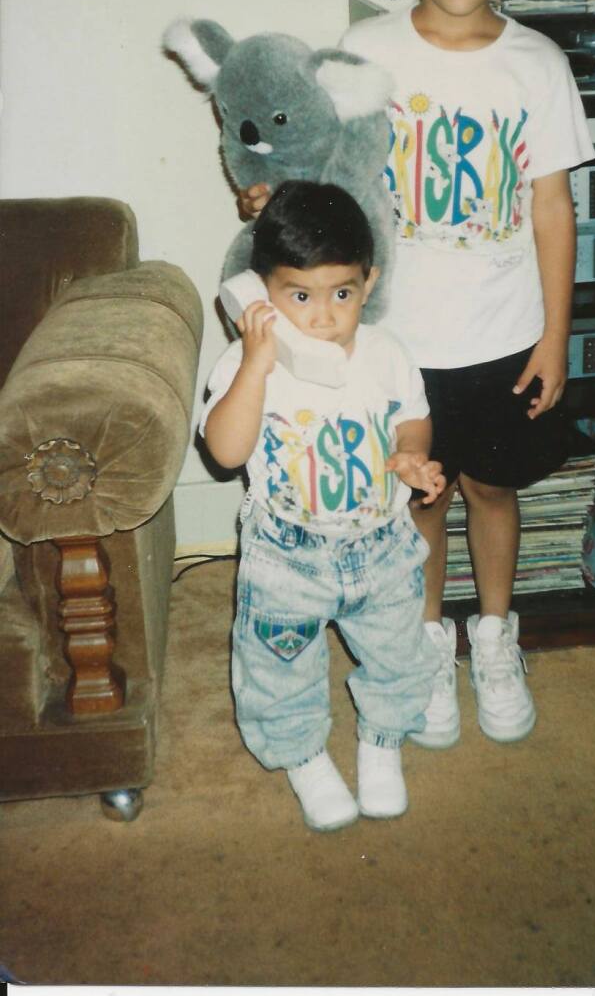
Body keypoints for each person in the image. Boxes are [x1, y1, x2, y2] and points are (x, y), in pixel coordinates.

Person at [238, 0, 595, 752]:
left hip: (506, 331)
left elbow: (553, 209)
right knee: (420, 500)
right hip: (398, 339)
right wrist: (273, 194)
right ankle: (427, 645)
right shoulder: (366, 48)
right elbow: (324, 168)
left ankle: (497, 636)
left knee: (491, 489)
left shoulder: (537, 65)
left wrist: (557, 337)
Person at [201, 179, 445, 833]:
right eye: (299, 296)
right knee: (279, 661)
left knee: (399, 650)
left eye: (342, 293)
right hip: (288, 553)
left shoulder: (387, 353)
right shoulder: (243, 363)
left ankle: (383, 741)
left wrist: (411, 456)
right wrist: (256, 363)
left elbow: (411, 420)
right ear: (261, 292)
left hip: (382, 543)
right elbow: (225, 452)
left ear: (369, 282)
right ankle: (304, 756)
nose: (323, 316)